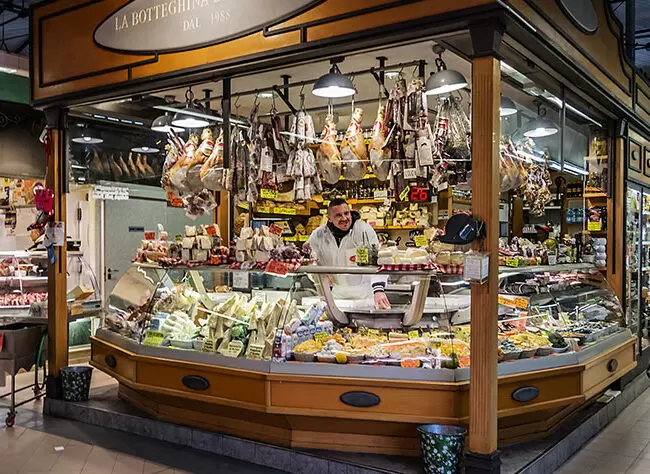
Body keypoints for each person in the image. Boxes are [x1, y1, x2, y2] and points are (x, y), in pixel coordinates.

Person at [307, 198, 391, 310]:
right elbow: (307, 258)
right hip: (336, 298)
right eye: (338, 215)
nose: (344, 218)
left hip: (365, 298)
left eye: (346, 213)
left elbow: (378, 262)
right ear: (329, 218)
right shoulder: (319, 235)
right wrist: (319, 277)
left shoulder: (364, 231)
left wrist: (379, 289)